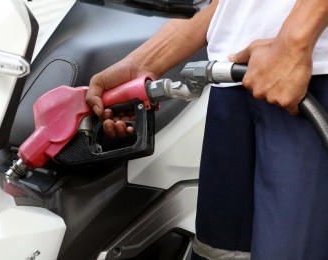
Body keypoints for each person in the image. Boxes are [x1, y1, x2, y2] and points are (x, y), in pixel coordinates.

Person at [86, 0, 328, 259]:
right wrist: (141, 64)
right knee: (218, 251)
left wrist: (295, 42)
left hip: (308, 72)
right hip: (237, 77)